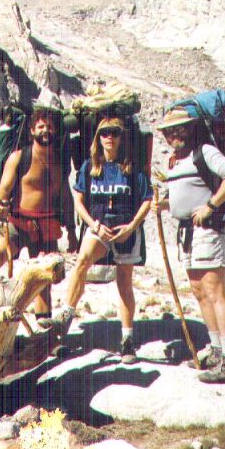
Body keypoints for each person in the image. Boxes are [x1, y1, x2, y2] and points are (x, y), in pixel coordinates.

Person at [39, 117, 153, 362]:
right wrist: (93, 225)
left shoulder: (131, 167)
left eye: (114, 132)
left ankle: (127, 339)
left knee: (124, 281)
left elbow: (146, 199)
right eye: (104, 133)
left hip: (126, 228)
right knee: (82, 262)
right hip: (99, 226)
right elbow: (78, 199)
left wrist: (132, 226)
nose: (109, 137)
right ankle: (66, 315)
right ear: (98, 137)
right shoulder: (90, 166)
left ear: (122, 137)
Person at [151, 107, 225, 383]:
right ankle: (216, 351)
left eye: (179, 128)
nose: (173, 134)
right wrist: (165, 204)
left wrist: (210, 206)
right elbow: (186, 193)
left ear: (191, 128)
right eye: (169, 131)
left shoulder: (205, 152)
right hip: (189, 232)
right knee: (200, 291)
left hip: (209, 227)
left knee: (215, 291)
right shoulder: (176, 161)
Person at [0, 108, 78, 319]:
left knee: (43, 283)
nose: (45, 130)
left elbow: (65, 197)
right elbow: (3, 188)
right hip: (18, 223)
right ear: (32, 131)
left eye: (50, 127)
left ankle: (44, 327)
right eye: (41, 126)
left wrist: (72, 230)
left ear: (56, 131)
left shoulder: (59, 162)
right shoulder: (19, 157)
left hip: (46, 228)